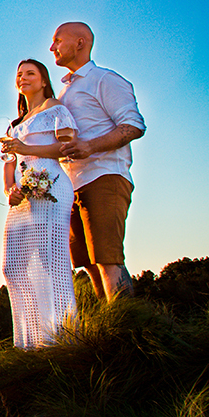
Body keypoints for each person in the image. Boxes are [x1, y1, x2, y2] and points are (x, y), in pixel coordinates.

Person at [49, 22, 146, 301]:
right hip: (71, 187)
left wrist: (90, 146)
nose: (52, 47)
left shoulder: (105, 79)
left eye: (58, 40)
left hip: (104, 177)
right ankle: (109, 322)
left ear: (80, 43)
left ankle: (127, 320)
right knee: (88, 264)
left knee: (107, 258)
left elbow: (133, 126)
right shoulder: (63, 93)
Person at [0, 59, 78, 349]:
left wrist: (27, 148)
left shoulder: (55, 108)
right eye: (19, 74)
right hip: (23, 195)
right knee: (13, 266)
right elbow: (9, 161)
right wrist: (10, 189)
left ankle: (63, 337)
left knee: (51, 262)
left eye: (30, 73)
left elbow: (67, 147)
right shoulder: (15, 124)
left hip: (51, 185)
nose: (23, 77)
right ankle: (32, 340)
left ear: (44, 80)